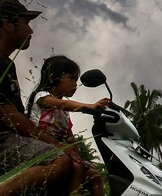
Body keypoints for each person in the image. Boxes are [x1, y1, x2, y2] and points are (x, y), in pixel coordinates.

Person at [0, 0, 75, 195]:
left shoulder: (5, 63)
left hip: (7, 140)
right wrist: (56, 143)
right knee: (61, 159)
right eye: (25, 23)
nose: (30, 31)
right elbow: (12, 118)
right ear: (7, 25)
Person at [27, 55, 108, 195]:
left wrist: (78, 154)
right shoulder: (42, 97)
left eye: (76, 80)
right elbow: (64, 104)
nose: (75, 84)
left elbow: (69, 135)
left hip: (60, 149)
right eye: (72, 78)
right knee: (76, 167)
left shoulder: (64, 113)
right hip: (39, 145)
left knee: (94, 174)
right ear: (55, 77)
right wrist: (90, 107)